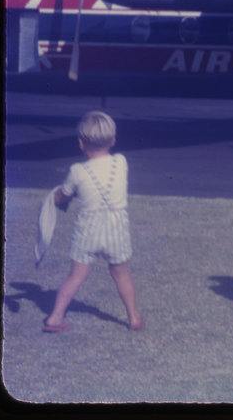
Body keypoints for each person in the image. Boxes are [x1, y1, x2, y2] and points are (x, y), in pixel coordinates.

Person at [42, 111, 144, 333]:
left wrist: (55, 197)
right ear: (113, 141)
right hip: (116, 228)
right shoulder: (121, 162)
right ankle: (134, 318)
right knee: (122, 274)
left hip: (88, 228)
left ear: (81, 143)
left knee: (76, 276)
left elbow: (64, 195)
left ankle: (55, 318)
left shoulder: (77, 171)